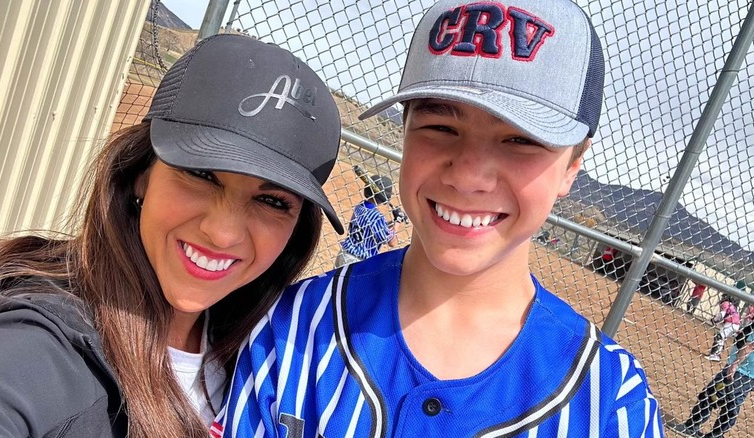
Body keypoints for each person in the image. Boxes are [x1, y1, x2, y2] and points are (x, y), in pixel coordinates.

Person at [212, 1, 664, 437]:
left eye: (520, 140)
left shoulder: (611, 398)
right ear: (405, 132)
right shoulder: (292, 327)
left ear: (572, 165)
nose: (467, 175)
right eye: (441, 128)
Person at [0, 34, 344, 438]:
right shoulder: (42, 345)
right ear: (140, 176)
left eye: (272, 202)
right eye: (202, 174)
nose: (222, 233)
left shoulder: (268, 353)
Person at [674, 324, 754, 437]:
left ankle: (692, 427)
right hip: (747, 374)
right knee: (731, 403)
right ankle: (715, 435)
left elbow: (750, 346)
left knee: (712, 395)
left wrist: (735, 364)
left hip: (741, 371)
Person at [334, 173, 402, 267]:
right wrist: (398, 221)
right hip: (357, 262)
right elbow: (392, 242)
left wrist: (393, 221)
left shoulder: (360, 206)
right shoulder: (377, 217)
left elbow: (377, 227)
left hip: (344, 254)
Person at [707, 295, 741, 362]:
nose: (723, 298)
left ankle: (715, 355)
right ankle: (717, 350)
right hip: (735, 325)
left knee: (719, 336)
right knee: (721, 337)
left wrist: (715, 320)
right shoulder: (733, 306)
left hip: (731, 323)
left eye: (724, 297)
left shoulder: (726, 303)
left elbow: (722, 314)